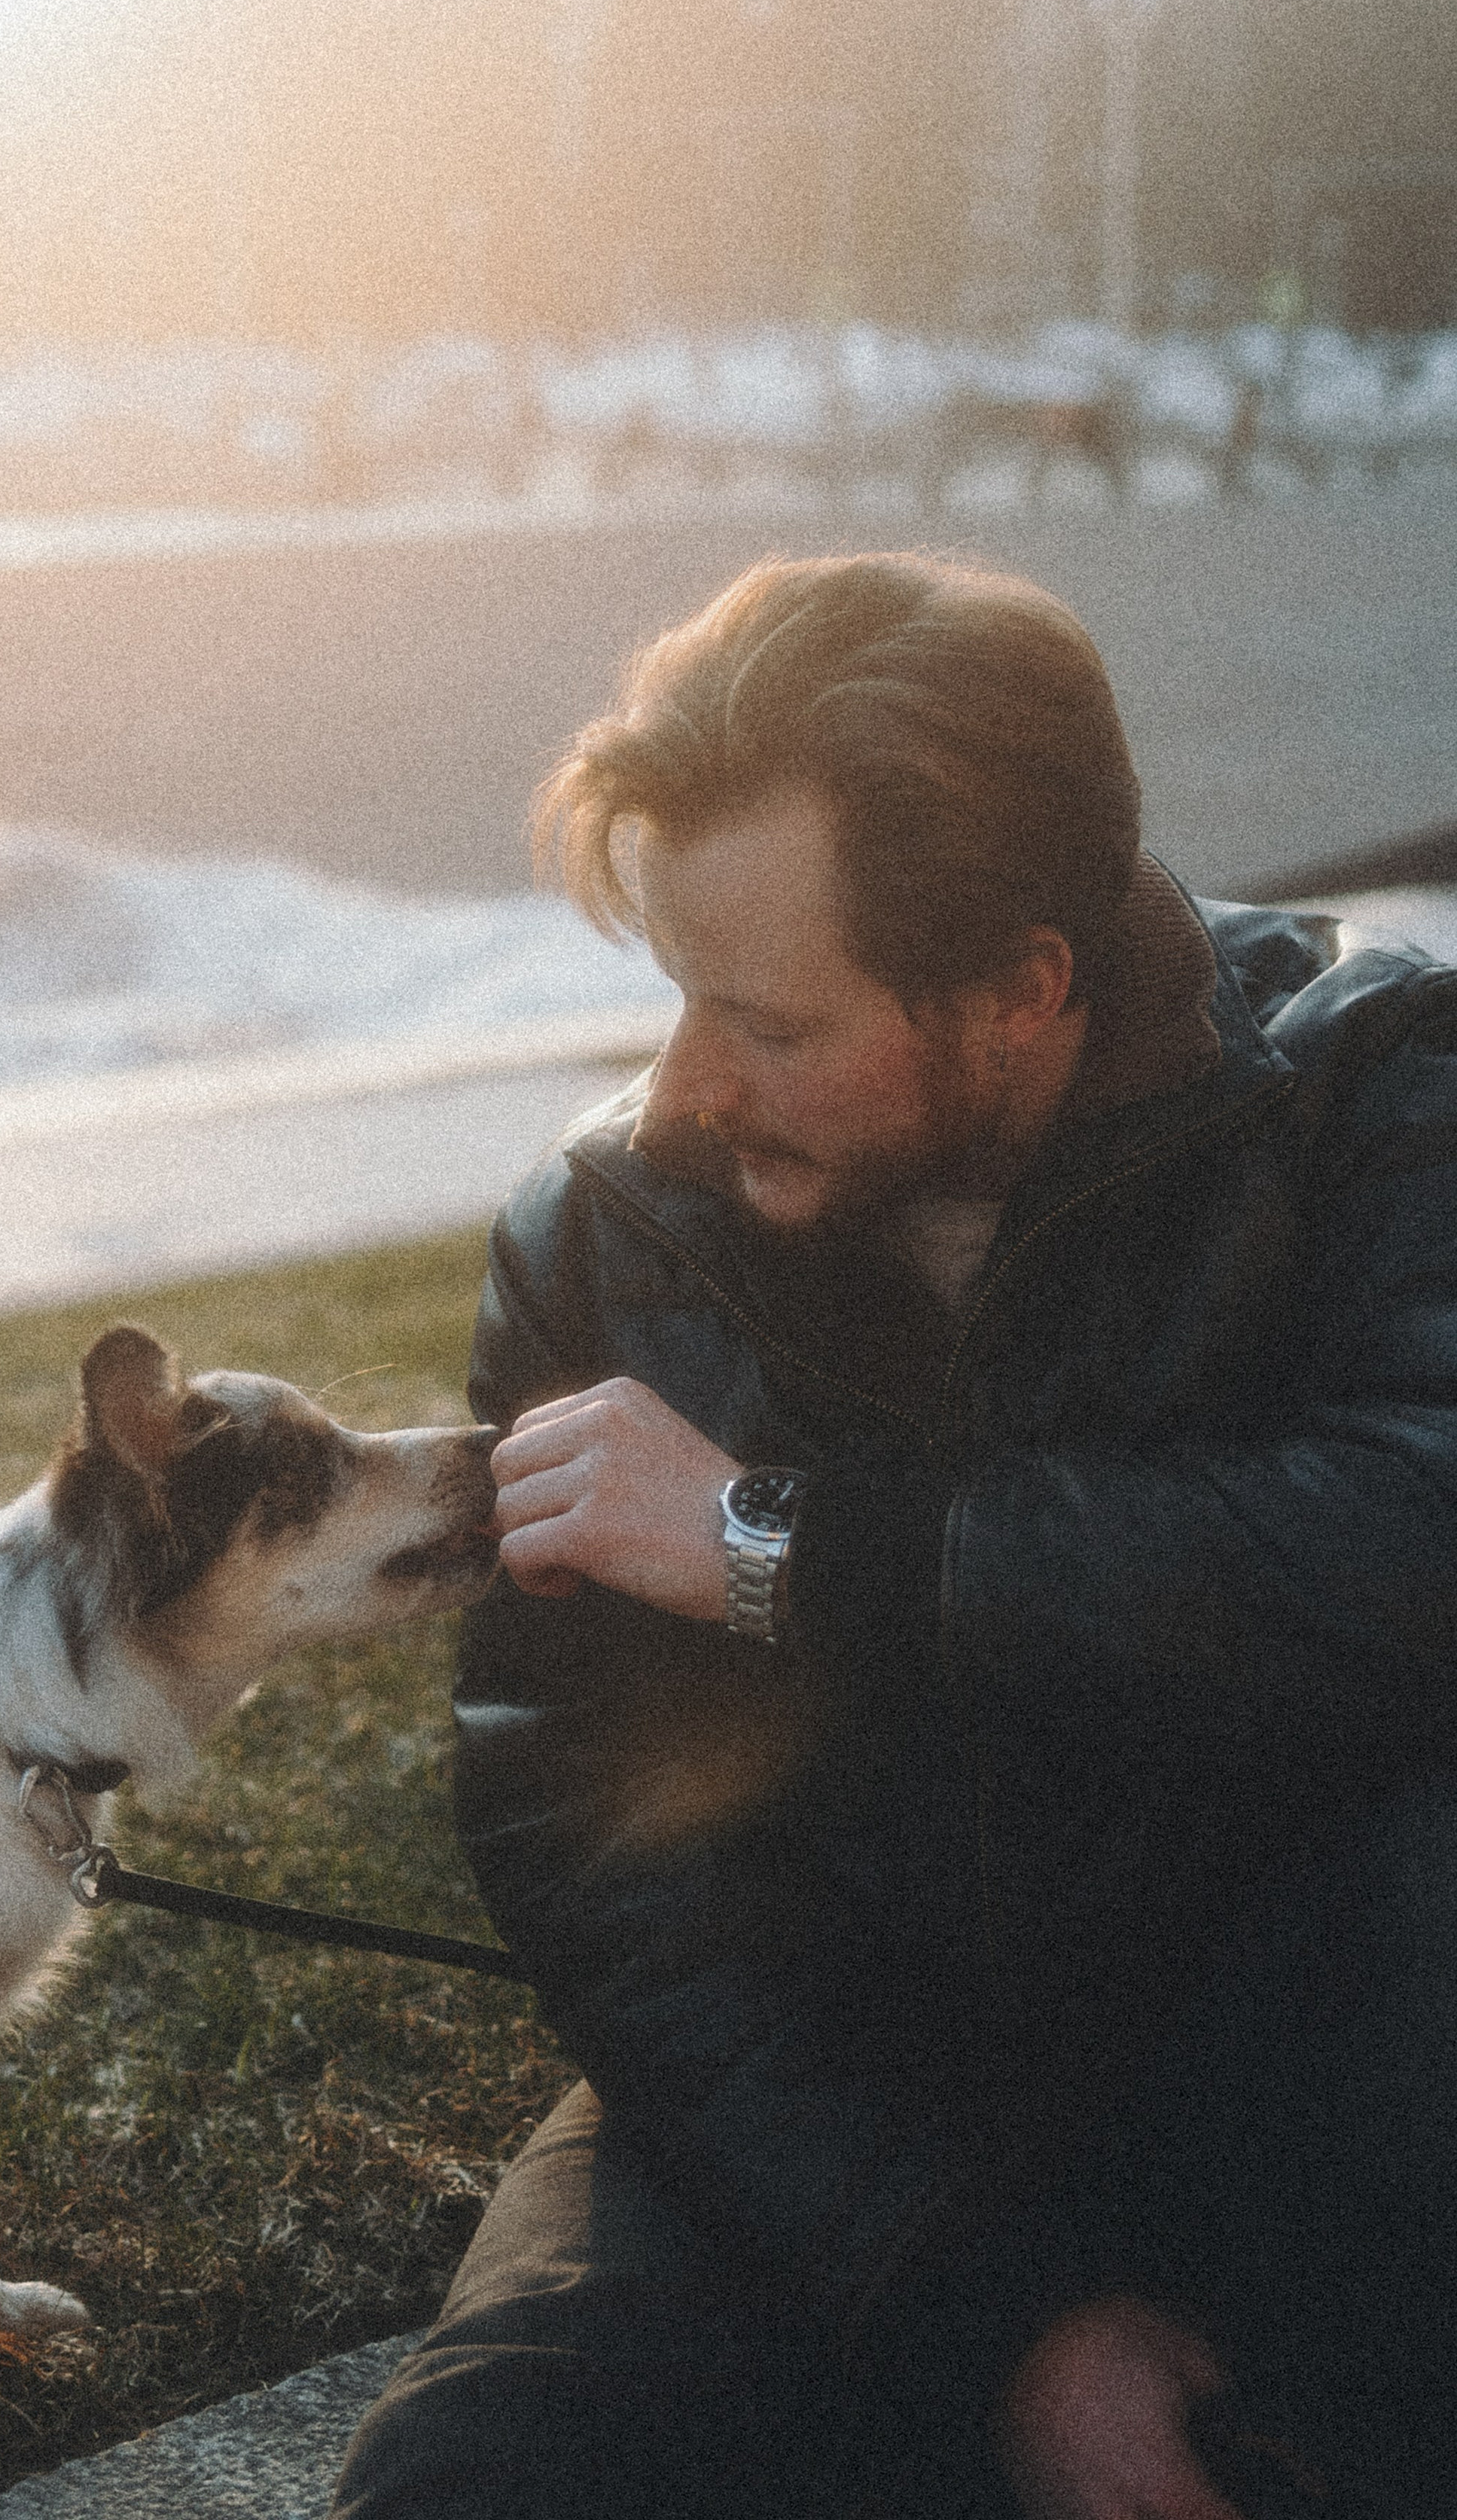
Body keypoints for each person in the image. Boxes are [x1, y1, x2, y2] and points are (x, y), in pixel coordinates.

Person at [331, 554, 1457, 2520]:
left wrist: (778, 1545)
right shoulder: (603, 1228)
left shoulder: (1376, 1091)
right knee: (467, 2486)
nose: (684, 1087)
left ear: (1024, 986)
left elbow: (1407, 1548)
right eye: (677, 993)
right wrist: (990, 2307)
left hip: (1335, 2080)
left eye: (765, 1018)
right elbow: (592, 1840)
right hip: (827, 2118)